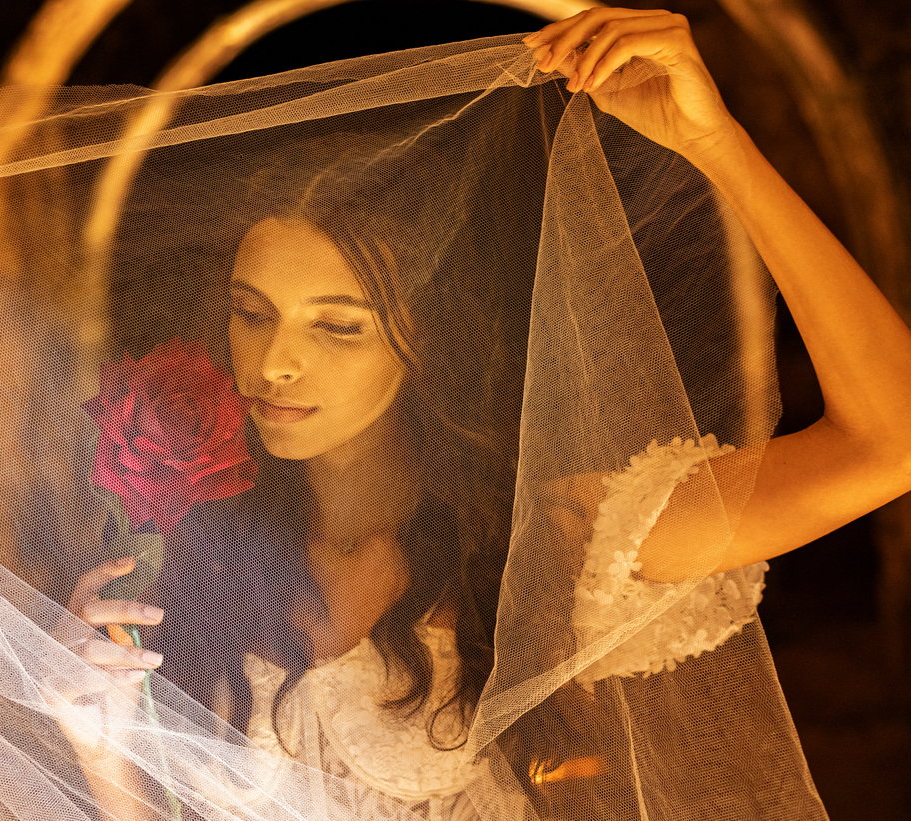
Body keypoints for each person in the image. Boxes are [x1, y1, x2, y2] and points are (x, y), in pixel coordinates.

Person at [59, 7, 911, 821]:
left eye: (337, 325)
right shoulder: (197, 559)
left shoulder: (549, 533)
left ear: (424, 341)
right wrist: (99, 742)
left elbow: (888, 441)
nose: (275, 361)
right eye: (253, 311)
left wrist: (714, 143)